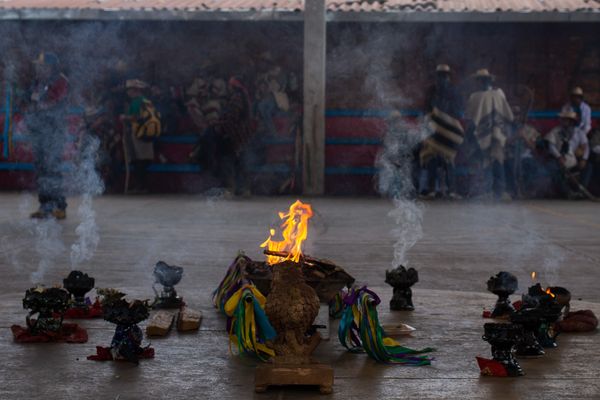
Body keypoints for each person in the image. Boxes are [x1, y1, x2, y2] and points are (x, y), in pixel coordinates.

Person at [27, 52, 70, 219]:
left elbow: (55, 103)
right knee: (41, 169)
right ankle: (44, 204)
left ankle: (59, 206)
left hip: (54, 131)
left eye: (42, 66)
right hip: (39, 130)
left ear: (51, 67)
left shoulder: (60, 81)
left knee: (53, 168)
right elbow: (31, 99)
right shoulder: (38, 82)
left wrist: (41, 105)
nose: (38, 69)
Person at [464, 69, 514, 200]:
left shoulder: (476, 96)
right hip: (496, 133)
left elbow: (470, 117)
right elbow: (508, 115)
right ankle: (494, 190)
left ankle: (496, 191)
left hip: (484, 134)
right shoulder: (498, 94)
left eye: (481, 80)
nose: (481, 82)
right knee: (493, 161)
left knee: (492, 161)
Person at [419, 64, 464, 199]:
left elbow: (458, 111)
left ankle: (451, 190)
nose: (442, 78)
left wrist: (446, 118)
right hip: (434, 129)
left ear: (448, 77)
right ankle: (432, 189)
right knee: (432, 158)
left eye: (445, 75)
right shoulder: (431, 91)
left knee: (448, 159)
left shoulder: (454, 91)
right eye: (440, 75)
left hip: (449, 130)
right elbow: (426, 109)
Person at [214, 76, 254, 196]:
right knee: (241, 162)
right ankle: (243, 188)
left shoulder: (237, 98)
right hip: (241, 135)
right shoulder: (243, 97)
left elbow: (232, 117)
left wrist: (220, 123)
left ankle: (231, 188)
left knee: (230, 161)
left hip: (235, 134)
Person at [120, 79, 157, 194]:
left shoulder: (136, 102)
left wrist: (124, 118)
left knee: (138, 161)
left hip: (138, 134)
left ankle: (140, 187)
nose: (128, 93)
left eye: (129, 90)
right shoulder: (146, 101)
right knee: (143, 160)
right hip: (147, 134)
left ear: (135, 90)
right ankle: (143, 186)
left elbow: (135, 117)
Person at [545, 110, 589, 198]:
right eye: (563, 119)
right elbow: (551, 146)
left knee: (588, 167)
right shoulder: (555, 131)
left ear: (571, 121)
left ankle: (580, 190)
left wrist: (584, 159)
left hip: (573, 160)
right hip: (558, 159)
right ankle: (568, 193)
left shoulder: (579, 132)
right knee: (552, 168)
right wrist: (559, 157)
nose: (563, 122)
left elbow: (586, 147)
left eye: (566, 120)